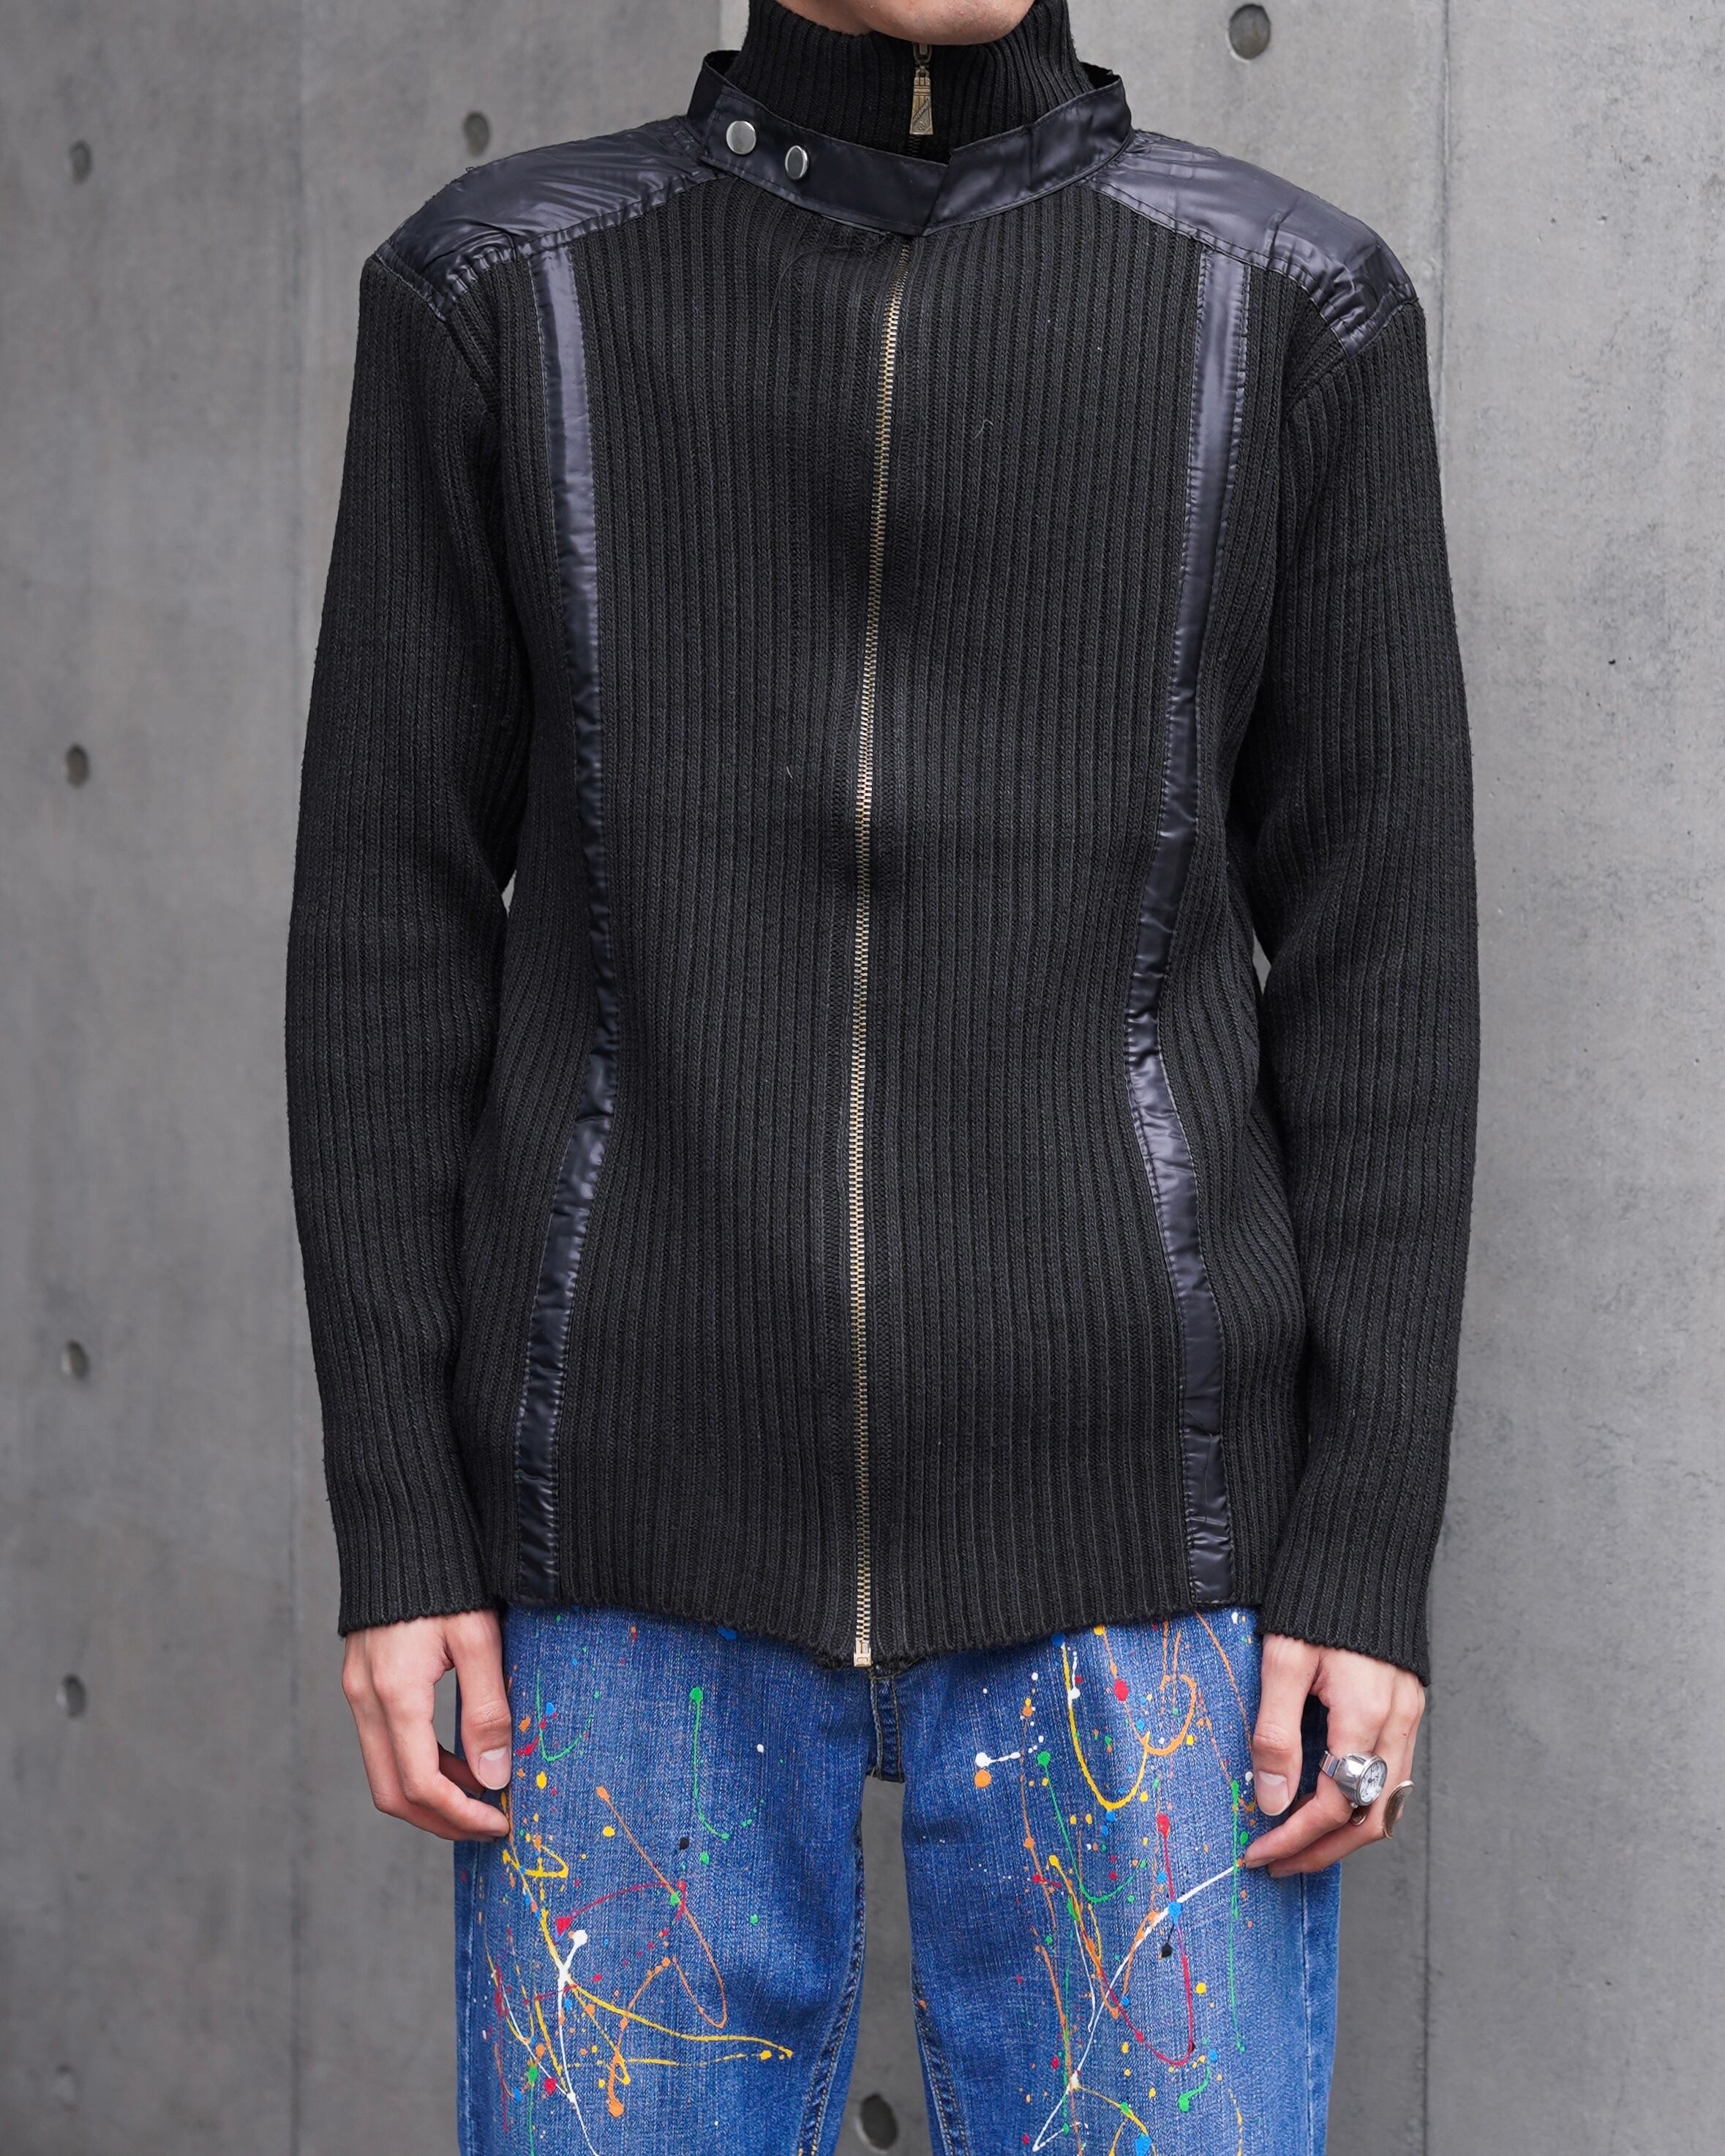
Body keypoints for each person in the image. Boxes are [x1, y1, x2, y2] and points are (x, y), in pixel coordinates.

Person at [285, 0, 1478, 2148]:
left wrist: (1363, 1557)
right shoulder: (502, 298)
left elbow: (1386, 967)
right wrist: (401, 1522)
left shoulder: (1289, 310)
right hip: (622, 1555)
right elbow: (386, 942)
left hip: (1153, 1569)